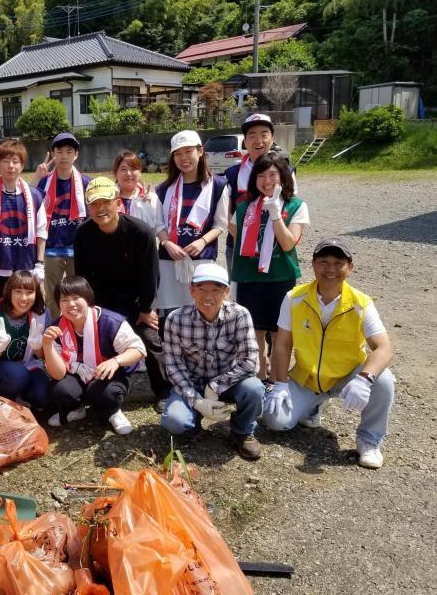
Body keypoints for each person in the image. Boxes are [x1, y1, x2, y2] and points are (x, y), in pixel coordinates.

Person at [263, 237, 395, 469]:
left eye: (338, 263)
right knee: (275, 421)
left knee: (383, 380)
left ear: (350, 267)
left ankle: (369, 440)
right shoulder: (294, 298)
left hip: (347, 376)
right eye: (323, 261)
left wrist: (364, 380)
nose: (330, 269)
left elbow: (384, 348)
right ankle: (314, 405)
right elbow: (282, 344)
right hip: (308, 377)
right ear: (313, 265)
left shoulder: (361, 303)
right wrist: (280, 384)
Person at [73, 176, 171, 409]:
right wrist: (89, 310)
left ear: (118, 202)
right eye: (94, 204)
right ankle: (86, 387)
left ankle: (164, 391)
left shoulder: (141, 232)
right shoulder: (83, 234)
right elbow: (83, 277)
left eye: (105, 202)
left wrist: (146, 309)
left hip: (136, 302)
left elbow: (151, 277)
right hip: (101, 303)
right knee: (87, 337)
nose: (100, 209)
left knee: (149, 338)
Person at [161, 263, 265, 459]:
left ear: (226, 292)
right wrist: (198, 401)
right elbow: (174, 366)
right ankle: (194, 423)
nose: (208, 296)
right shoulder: (175, 319)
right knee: (174, 421)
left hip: (230, 382)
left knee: (255, 389)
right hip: (192, 383)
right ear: (192, 290)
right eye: (201, 289)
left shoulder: (240, 315)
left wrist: (215, 386)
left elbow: (251, 361)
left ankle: (242, 431)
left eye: (216, 290)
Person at [229, 152, 309, 380]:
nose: (267, 181)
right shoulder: (244, 207)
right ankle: (260, 375)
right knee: (254, 332)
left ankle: (278, 378)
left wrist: (275, 213)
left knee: (279, 333)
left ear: (283, 177)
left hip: (279, 277)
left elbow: (287, 243)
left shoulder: (296, 206)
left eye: (273, 175)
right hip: (249, 277)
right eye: (261, 175)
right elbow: (235, 234)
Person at [42, 276, 146, 435]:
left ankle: (113, 411)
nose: (71, 304)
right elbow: (58, 373)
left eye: (76, 298)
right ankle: (76, 410)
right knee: (59, 389)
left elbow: (138, 349)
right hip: (76, 374)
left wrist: (116, 361)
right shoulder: (56, 328)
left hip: (109, 375)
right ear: (58, 304)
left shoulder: (110, 321)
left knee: (107, 394)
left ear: (88, 299)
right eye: (64, 300)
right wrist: (47, 346)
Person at [155, 130, 230, 318]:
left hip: (201, 259)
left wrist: (202, 241)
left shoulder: (218, 185)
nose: (183, 158)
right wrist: (167, 243)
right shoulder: (164, 189)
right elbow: (158, 223)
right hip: (168, 260)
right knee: (170, 314)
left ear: (200, 151)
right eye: (178, 154)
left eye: (188, 151)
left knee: (202, 311)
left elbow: (220, 224)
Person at [223, 113, 297, 279]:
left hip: (276, 248)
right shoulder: (232, 173)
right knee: (242, 298)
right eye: (252, 135)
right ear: (245, 140)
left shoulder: (286, 171)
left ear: (272, 138)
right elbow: (224, 209)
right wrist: (241, 234)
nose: (259, 141)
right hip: (238, 246)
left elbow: (292, 207)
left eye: (264, 134)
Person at [0, 139, 47, 301]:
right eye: (6, 161)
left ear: (22, 165)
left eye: (15, 161)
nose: (11, 166)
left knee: (29, 313)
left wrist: (40, 264)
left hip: (27, 268)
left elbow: (41, 231)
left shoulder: (36, 196)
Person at [30, 132, 91, 318]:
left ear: (76, 155)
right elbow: (29, 203)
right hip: (51, 249)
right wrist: (36, 178)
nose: (64, 156)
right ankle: (57, 330)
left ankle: (77, 328)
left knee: (79, 294)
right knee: (53, 296)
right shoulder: (44, 180)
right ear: (53, 154)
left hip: (77, 249)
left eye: (69, 151)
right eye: (60, 151)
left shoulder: (86, 182)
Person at [0, 270, 50, 409]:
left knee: (42, 398)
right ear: (9, 292)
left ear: (36, 294)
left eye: (30, 292)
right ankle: (0, 406)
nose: (24, 298)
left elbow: (44, 358)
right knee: (17, 374)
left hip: (28, 364)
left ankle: (20, 395)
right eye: (18, 291)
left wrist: (38, 347)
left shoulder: (41, 314)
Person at [112, 150, 163, 229]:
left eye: (133, 169)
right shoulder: (109, 199)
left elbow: (159, 226)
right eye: (123, 169)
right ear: (116, 172)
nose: (128, 174)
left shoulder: (151, 198)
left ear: (140, 172)